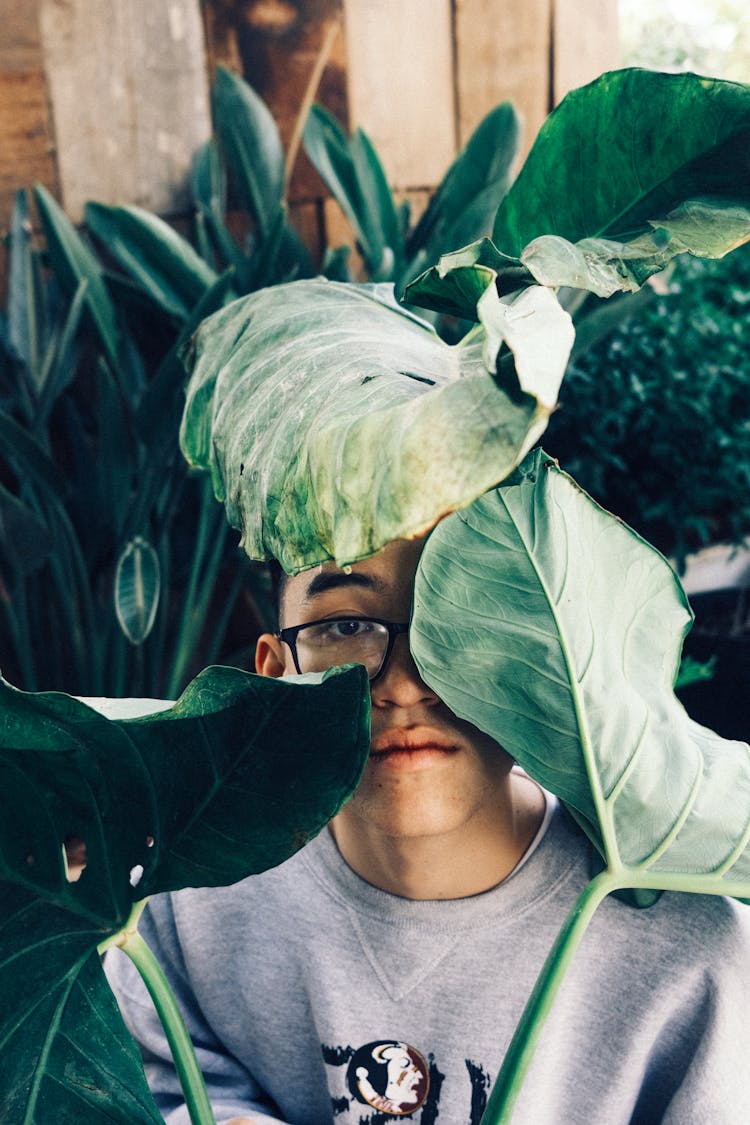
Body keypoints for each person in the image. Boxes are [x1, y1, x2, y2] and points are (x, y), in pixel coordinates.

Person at [106, 535, 750, 1125]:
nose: (406, 686)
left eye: (459, 623)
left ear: (543, 663)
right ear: (277, 675)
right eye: (347, 625)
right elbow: (155, 1086)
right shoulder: (187, 891)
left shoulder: (694, 953)